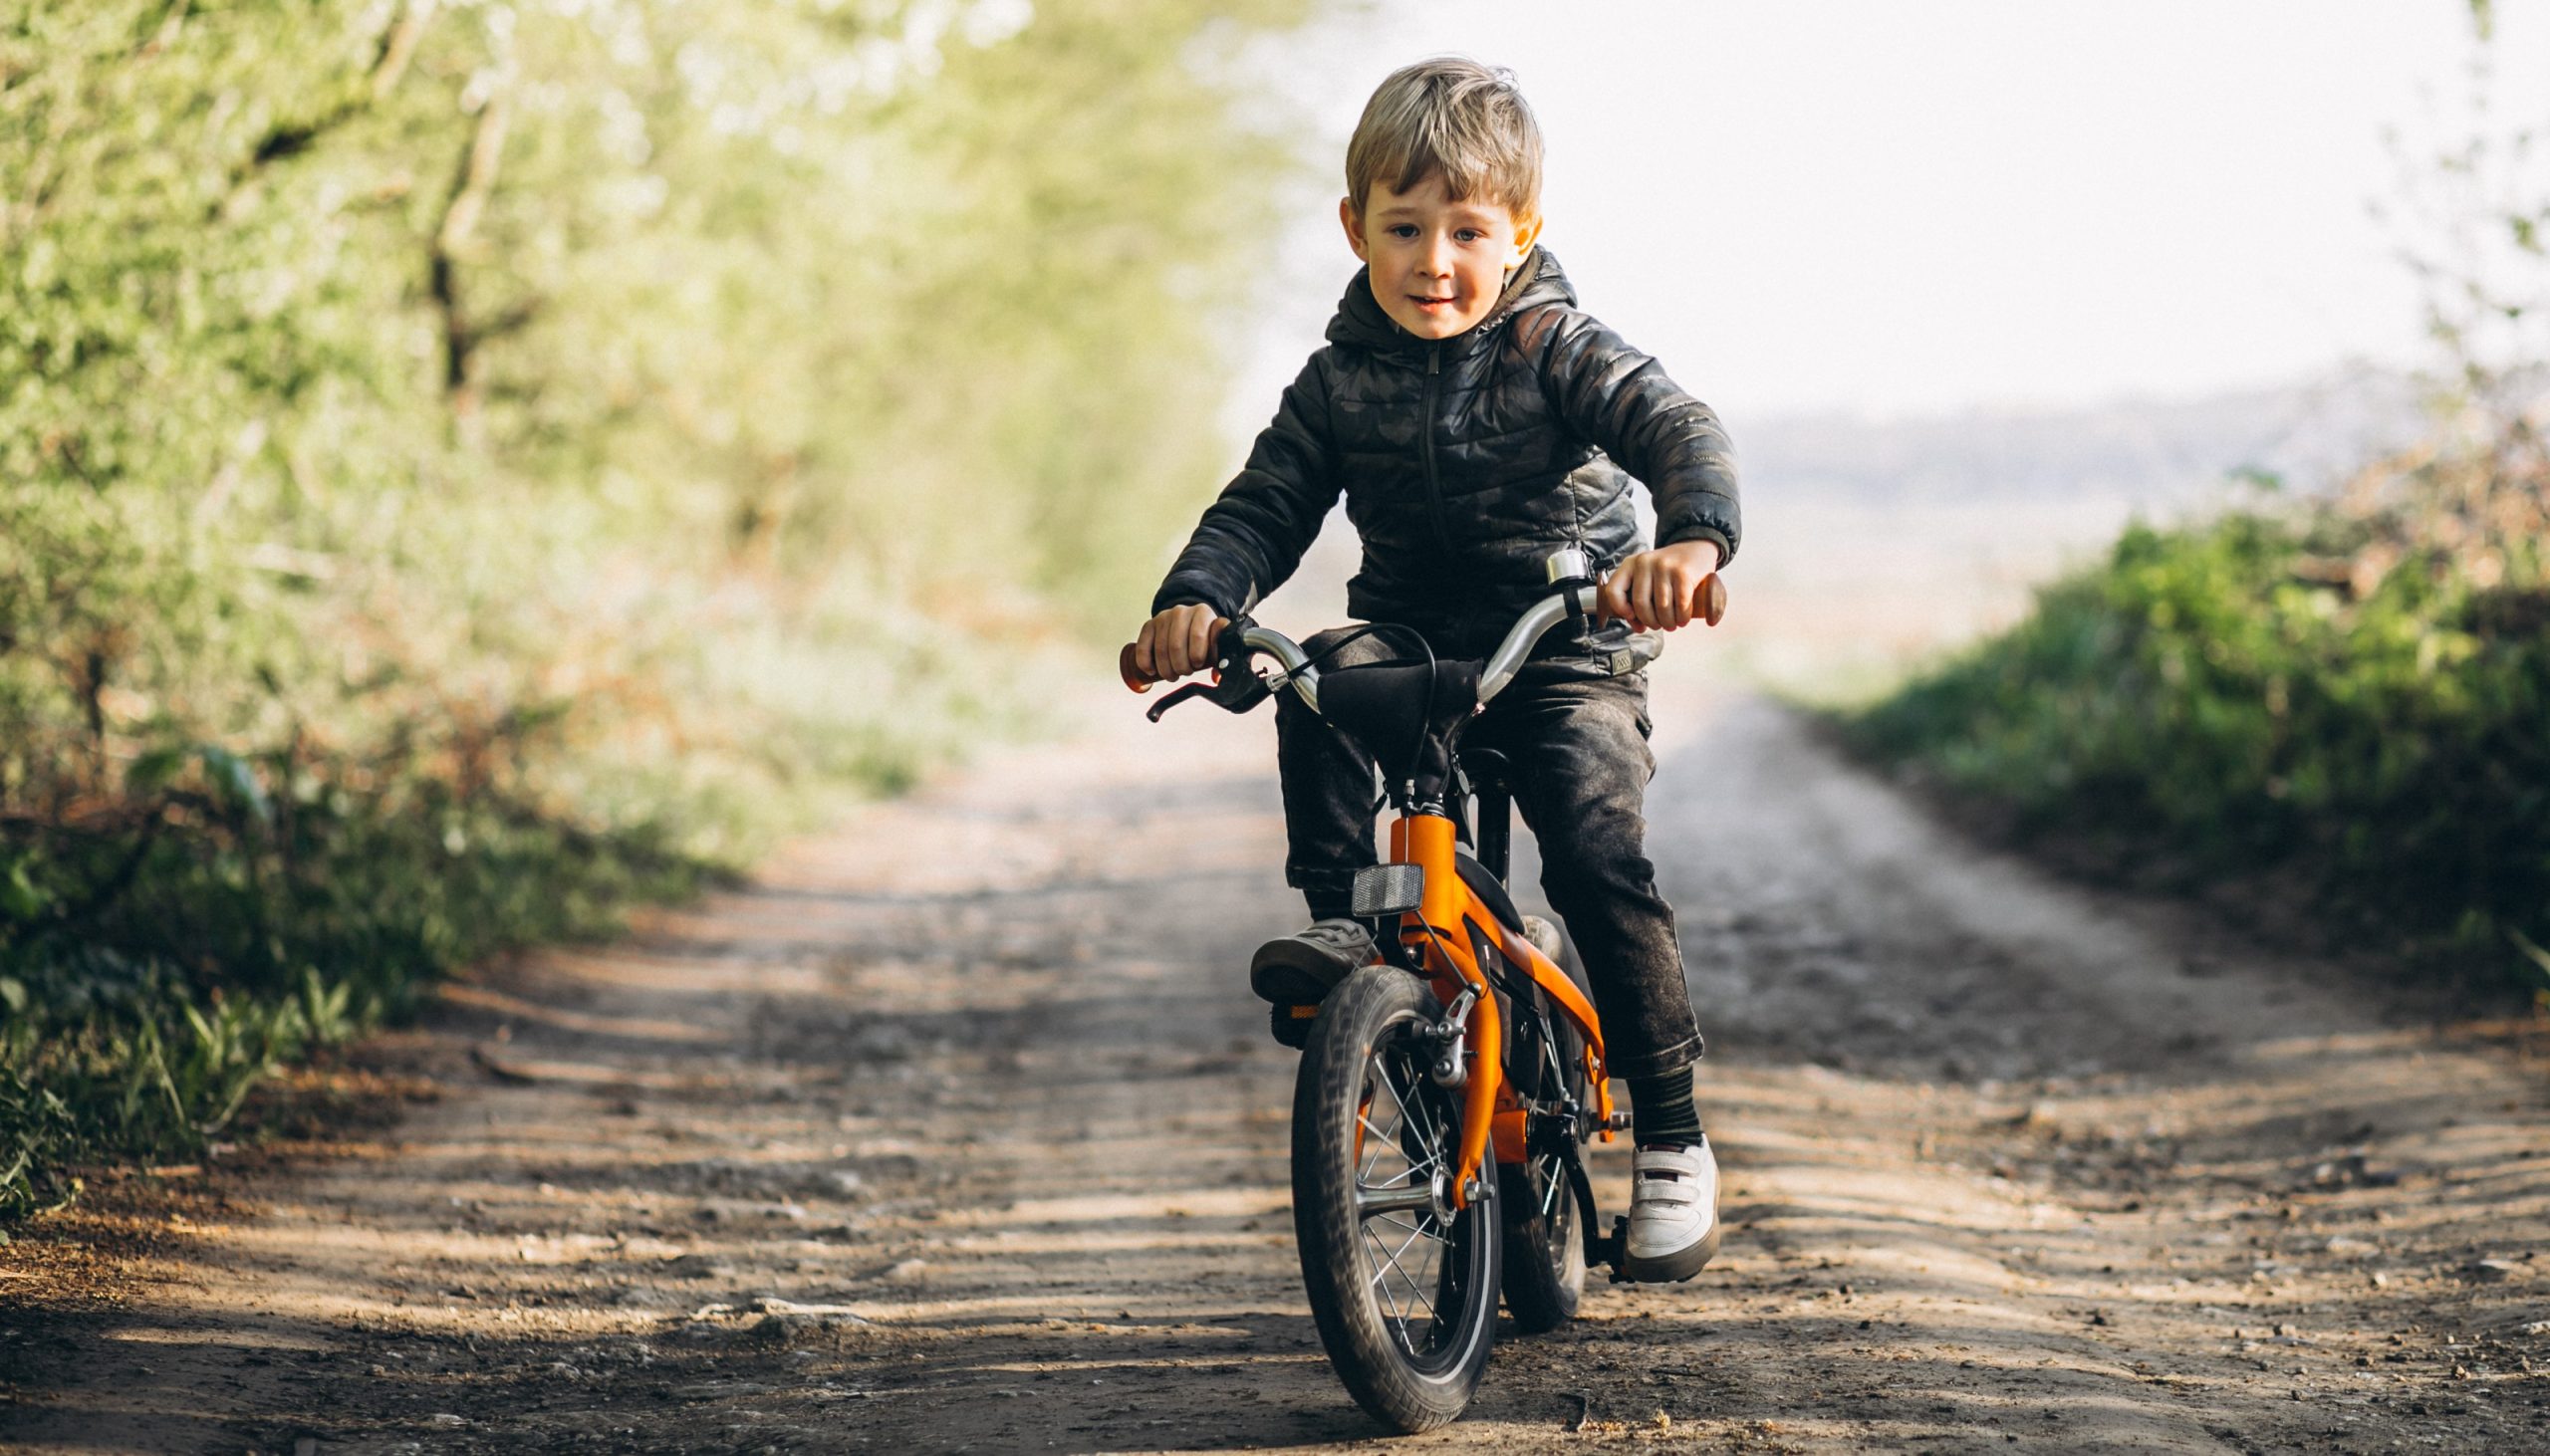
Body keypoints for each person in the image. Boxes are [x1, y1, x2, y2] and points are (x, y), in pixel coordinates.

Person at [1129, 57, 1737, 1284]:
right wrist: (1198, 598)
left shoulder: (1554, 346)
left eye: (1467, 230)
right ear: (1355, 229)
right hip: (1415, 639)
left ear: (1522, 235)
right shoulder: (1336, 379)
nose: (1433, 260)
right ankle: (1358, 940)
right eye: (1403, 229)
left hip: (1563, 639)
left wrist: (1684, 540)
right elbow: (1264, 504)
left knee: (1591, 842)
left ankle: (1669, 1130)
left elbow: (1675, 426)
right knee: (1318, 681)